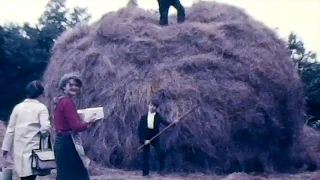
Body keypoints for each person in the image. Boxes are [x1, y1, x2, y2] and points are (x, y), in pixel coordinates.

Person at [1, 80, 51, 180]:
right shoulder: (41, 108)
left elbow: (10, 129)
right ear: (41, 94)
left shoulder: (18, 108)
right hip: (34, 148)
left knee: (23, 175)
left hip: (19, 147)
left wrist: (5, 148)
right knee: (31, 175)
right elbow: (45, 127)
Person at [53, 72, 95, 180]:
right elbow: (76, 126)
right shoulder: (67, 102)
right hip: (67, 142)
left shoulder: (59, 100)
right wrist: (88, 122)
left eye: (76, 85)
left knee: (64, 174)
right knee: (77, 174)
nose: (74, 87)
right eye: (71, 85)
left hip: (60, 141)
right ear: (63, 86)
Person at [138, 99, 178, 176]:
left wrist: (174, 123)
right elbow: (139, 130)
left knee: (160, 152)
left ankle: (161, 170)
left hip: (155, 137)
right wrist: (143, 140)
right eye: (150, 105)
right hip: (146, 137)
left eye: (154, 106)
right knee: (145, 155)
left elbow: (166, 123)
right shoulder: (143, 117)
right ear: (148, 106)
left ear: (156, 108)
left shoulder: (158, 116)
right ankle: (145, 173)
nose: (151, 107)